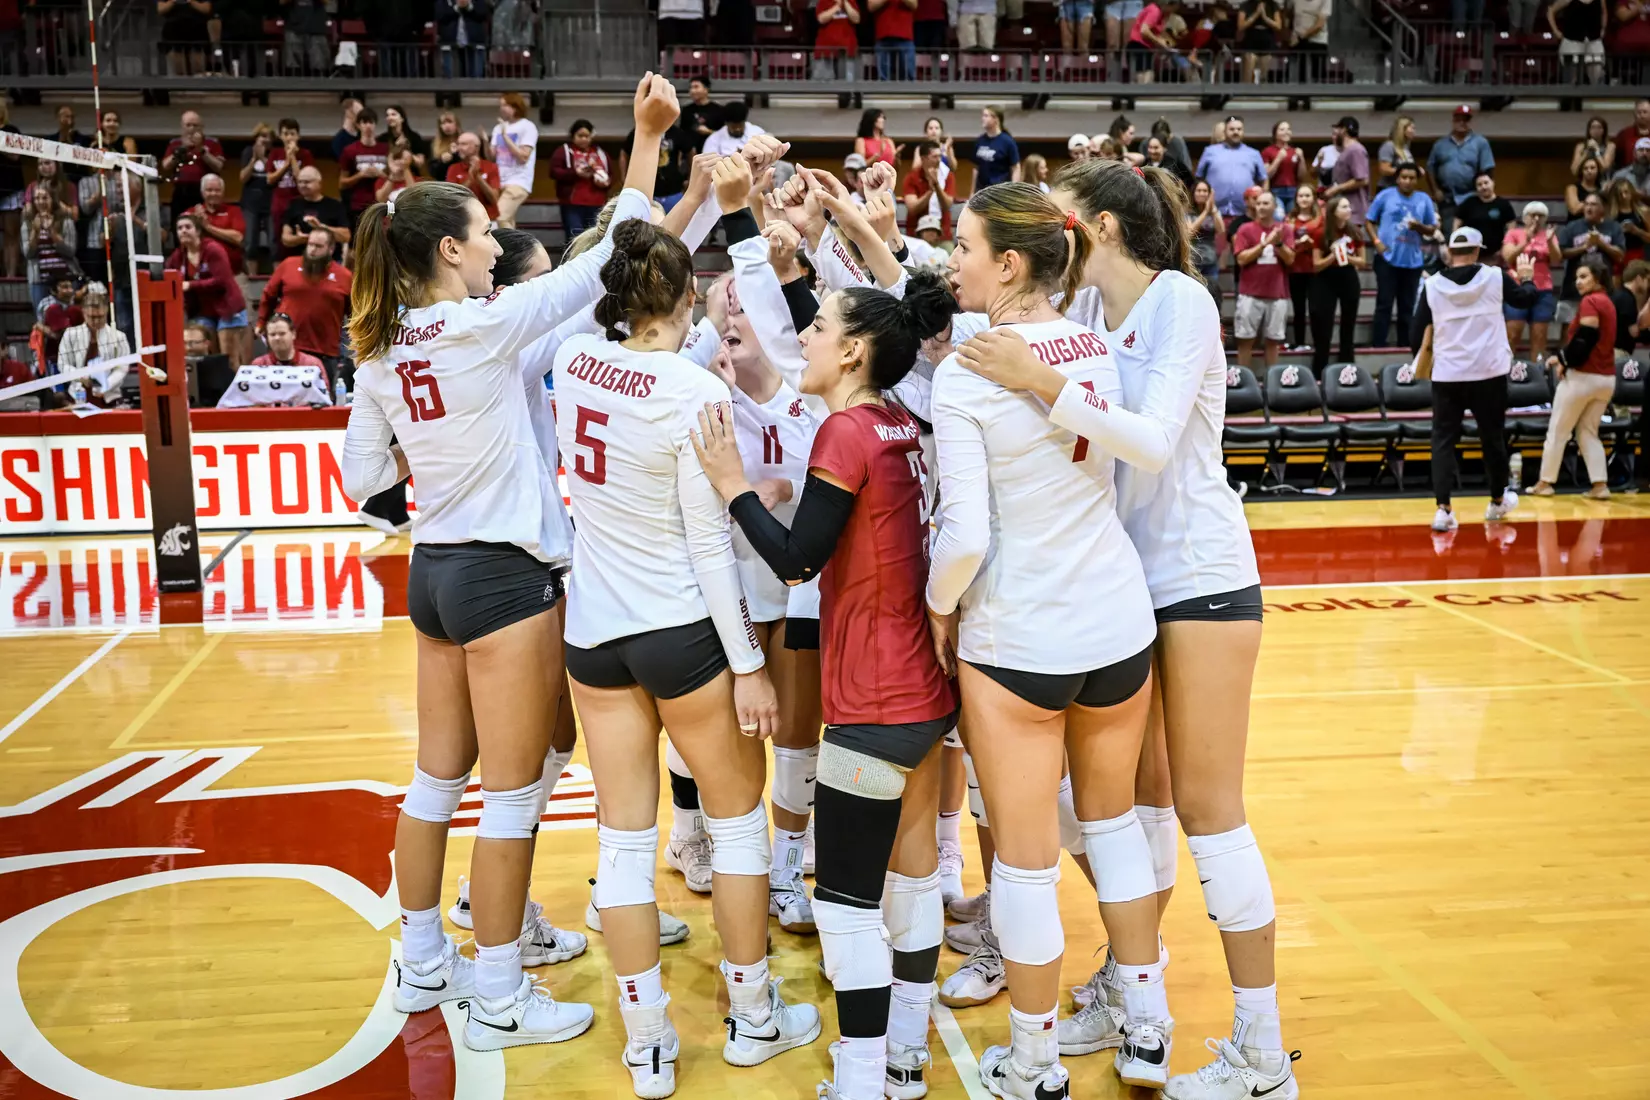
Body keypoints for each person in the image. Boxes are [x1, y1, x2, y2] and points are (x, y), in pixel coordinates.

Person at [341, 74, 674, 1057]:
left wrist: (436, 499)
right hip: (499, 580)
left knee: (433, 783)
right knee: (515, 796)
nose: (496, 242)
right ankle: (497, 992)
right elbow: (615, 251)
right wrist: (646, 141)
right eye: (485, 231)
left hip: (432, 576)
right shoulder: (482, 325)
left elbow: (363, 479)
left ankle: (420, 957)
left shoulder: (378, 347)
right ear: (449, 251)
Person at [956, 153, 1297, 1100]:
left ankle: (1262, 1055)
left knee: (1209, 814)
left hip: (1201, 578)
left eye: (1061, 213)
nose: (1048, 228)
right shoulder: (1097, 317)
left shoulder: (1180, 300)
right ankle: (1127, 984)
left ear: (1101, 226)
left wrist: (1035, 379)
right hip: (1125, 595)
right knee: (1126, 815)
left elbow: (1146, 438)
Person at [550, 186, 821, 1097]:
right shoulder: (694, 390)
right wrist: (750, 666)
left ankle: (647, 1043)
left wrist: (697, 201)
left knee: (624, 845)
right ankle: (750, 1018)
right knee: (740, 828)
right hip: (680, 630)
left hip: (592, 633)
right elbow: (712, 545)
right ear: (682, 300)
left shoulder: (576, 358)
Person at [928, 181, 1170, 1098]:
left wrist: (936, 605)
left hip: (1021, 635)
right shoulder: (1096, 345)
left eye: (963, 245)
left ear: (1011, 264)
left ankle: (1033, 1064)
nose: (951, 258)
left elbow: (967, 539)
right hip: (1116, 623)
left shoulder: (967, 369)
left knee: (1025, 861)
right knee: (1112, 833)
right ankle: (1148, 1029)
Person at [1411, 226, 1539, 532]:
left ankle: (1443, 510)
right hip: (1489, 373)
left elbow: (1415, 333)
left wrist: (1425, 357)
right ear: (1478, 250)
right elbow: (1524, 300)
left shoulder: (1432, 286)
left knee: (1442, 440)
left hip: (1448, 375)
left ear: (1450, 252)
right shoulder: (1494, 276)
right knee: (1492, 437)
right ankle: (1497, 502)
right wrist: (1528, 278)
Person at [1529, 256, 1619, 499]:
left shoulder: (1590, 302)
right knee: (1588, 431)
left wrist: (1563, 360)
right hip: (1607, 378)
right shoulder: (1608, 303)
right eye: (1577, 277)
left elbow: (1585, 338)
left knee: (1558, 430)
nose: (1578, 282)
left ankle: (1545, 482)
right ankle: (1600, 485)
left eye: (1584, 277)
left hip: (1583, 378)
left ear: (1598, 279)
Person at [257, 227, 353, 383]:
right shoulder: (288, 265)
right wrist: (261, 321)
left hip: (326, 351)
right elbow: (269, 295)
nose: (312, 250)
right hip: (288, 349)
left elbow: (355, 314)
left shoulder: (344, 276)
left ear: (330, 249)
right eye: (310, 244)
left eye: (318, 246)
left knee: (324, 401)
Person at [1366, 162, 1437, 347]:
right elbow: (1369, 221)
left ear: (1416, 180)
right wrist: (1376, 242)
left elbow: (1431, 229)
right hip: (1387, 259)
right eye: (1404, 177)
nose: (1407, 181)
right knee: (1384, 304)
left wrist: (1419, 227)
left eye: (1411, 178)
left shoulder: (1424, 199)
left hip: (1413, 262)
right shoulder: (1385, 196)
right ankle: (1378, 345)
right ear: (1397, 178)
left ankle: (1405, 346)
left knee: (1407, 308)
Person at [167, 214, 251, 366]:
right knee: (209, 357)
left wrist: (191, 285)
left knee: (229, 358)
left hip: (228, 307)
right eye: (179, 228)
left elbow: (222, 280)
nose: (183, 231)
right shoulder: (178, 256)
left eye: (188, 227)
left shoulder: (213, 249)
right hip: (202, 310)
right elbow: (168, 277)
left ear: (198, 231)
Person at [1232, 190, 1294, 369]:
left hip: (1277, 293)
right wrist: (1264, 243)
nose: (1261, 207)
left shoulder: (1285, 229)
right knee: (1245, 340)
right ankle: (1243, 380)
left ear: (1274, 206)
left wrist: (1278, 243)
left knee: (1273, 342)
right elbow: (1241, 259)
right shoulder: (1245, 229)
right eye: (1258, 203)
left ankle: (1271, 385)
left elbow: (1290, 260)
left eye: (1265, 203)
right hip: (1250, 293)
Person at [1311, 195, 1369, 372]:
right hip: (1325, 278)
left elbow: (1362, 261)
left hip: (1348, 276)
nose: (1349, 210)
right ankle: (1320, 369)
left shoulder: (1355, 231)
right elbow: (1316, 265)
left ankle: (1347, 366)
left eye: (1349, 206)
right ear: (1334, 212)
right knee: (1324, 324)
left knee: (1348, 323)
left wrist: (1347, 257)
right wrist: (1332, 256)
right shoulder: (1320, 233)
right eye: (1344, 207)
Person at [1501, 201, 1563, 365]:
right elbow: (1508, 258)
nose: (1536, 218)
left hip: (1543, 289)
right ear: (1525, 217)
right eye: (1532, 215)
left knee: (1539, 336)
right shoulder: (1514, 233)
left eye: (1540, 215)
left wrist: (1550, 241)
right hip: (1517, 287)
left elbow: (1556, 261)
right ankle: (1506, 370)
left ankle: (1538, 373)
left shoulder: (1549, 235)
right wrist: (1525, 240)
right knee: (1513, 333)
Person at [1558, 193, 1625, 323]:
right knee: (1569, 331)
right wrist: (1584, 247)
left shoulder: (1614, 227)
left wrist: (1601, 243)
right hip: (1573, 289)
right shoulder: (1572, 227)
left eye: (1593, 204)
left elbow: (1620, 255)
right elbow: (1561, 253)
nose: (1589, 208)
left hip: (1603, 289)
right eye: (1586, 204)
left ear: (1603, 208)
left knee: (1599, 329)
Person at [55, 291, 132, 400]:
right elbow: (63, 365)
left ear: (107, 311)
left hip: (110, 397)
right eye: (91, 317)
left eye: (101, 316)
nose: (96, 321)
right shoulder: (70, 334)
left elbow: (122, 368)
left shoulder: (119, 337)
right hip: (78, 395)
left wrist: (107, 385)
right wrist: (80, 376)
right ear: (83, 312)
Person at [1427, 107, 1494, 223]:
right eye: (1459, 120)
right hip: (1448, 199)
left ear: (1470, 122)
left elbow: (1488, 170)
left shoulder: (1480, 143)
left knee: (1473, 233)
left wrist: (1483, 192)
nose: (1462, 123)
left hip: (1473, 197)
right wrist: (1435, 190)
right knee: (1449, 234)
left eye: (1465, 120)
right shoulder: (1440, 144)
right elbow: (1430, 168)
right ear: (1453, 121)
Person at [1195, 115, 1265, 222]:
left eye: (1239, 129)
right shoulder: (1210, 151)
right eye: (1231, 129)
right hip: (1213, 213)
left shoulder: (1254, 154)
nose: (1235, 132)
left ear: (1243, 131)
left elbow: (1263, 180)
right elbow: (1199, 178)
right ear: (1225, 131)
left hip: (1245, 214)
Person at [548, 120, 611, 239]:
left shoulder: (600, 153)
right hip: (572, 203)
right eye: (580, 136)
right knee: (575, 237)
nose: (584, 139)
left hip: (597, 203)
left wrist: (605, 183)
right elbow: (554, 171)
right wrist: (575, 173)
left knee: (596, 238)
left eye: (587, 136)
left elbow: (610, 175)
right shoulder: (564, 151)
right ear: (573, 136)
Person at [161, 110, 225, 227]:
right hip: (181, 190)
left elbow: (218, 166)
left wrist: (201, 149)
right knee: (178, 225)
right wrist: (182, 149)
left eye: (195, 125)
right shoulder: (175, 143)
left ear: (202, 127)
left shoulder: (212, 142)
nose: (192, 128)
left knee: (202, 226)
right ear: (182, 127)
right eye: (188, 125)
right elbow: (165, 165)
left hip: (203, 191)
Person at [279, 166, 352, 262]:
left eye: (307, 182)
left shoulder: (334, 205)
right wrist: (301, 239)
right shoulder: (293, 205)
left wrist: (322, 227)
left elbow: (346, 236)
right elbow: (285, 239)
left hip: (329, 261)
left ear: (319, 183)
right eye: (300, 182)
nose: (302, 185)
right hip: (300, 260)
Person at [23, 186, 78, 308]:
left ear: (53, 199)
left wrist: (52, 232)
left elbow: (70, 251)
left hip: (65, 279)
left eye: (45, 198)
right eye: (37, 198)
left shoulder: (65, 221)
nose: (41, 201)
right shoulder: (27, 223)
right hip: (39, 280)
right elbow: (28, 254)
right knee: (43, 317)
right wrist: (35, 233)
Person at [492, 93, 540, 229]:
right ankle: (514, 249)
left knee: (500, 217)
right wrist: (483, 141)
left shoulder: (527, 126)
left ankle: (512, 248)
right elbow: (492, 156)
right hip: (500, 181)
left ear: (516, 107)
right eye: (501, 105)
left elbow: (523, 157)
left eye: (505, 105)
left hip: (519, 181)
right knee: (507, 222)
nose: (502, 108)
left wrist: (505, 136)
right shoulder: (498, 128)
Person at [267, 119, 314, 258]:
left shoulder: (305, 154)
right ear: (280, 136)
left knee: (299, 237)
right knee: (278, 241)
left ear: (298, 136)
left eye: (292, 134)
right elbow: (269, 179)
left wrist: (292, 157)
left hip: (299, 203)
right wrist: (286, 163)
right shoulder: (275, 153)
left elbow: (302, 179)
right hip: (279, 204)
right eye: (285, 134)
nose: (289, 138)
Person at [188, 173, 246, 276]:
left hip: (233, 273)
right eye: (209, 190)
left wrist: (208, 227)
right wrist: (196, 223)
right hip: (202, 273)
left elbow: (238, 238)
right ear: (202, 193)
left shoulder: (233, 211)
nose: (214, 193)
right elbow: (185, 240)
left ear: (223, 192)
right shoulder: (192, 213)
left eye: (217, 190)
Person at [339, 108, 392, 221]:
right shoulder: (350, 150)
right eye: (364, 122)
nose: (368, 126)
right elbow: (342, 183)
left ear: (375, 124)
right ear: (358, 125)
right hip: (359, 204)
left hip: (384, 202)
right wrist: (360, 175)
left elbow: (395, 177)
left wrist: (381, 174)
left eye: (371, 122)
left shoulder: (386, 149)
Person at [1285, 185, 1321, 351]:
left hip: (1315, 270)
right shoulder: (1289, 219)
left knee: (1315, 309)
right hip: (1295, 270)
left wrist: (1313, 243)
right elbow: (1285, 243)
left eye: (1307, 195)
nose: (1304, 199)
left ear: (1313, 198)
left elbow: (1325, 242)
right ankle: (1299, 342)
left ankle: (1316, 343)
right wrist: (1299, 243)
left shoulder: (1321, 218)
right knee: (1298, 309)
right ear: (1296, 199)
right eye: (1301, 196)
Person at [1453, 171, 1516, 261]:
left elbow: (1511, 229)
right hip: (1470, 255)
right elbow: (1457, 223)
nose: (1483, 187)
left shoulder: (1503, 204)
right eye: (1479, 184)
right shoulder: (1469, 203)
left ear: (1493, 183)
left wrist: (1504, 249)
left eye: (1486, 183)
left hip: (1495, 256)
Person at [239, 126, 275, 276]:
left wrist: (264, 158)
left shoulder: (276, 154)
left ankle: (277, 277)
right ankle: (252, 276)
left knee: (274, 241)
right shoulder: (248, 152)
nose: (264, 139)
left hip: (271, 202)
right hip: (250, 203)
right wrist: (254, 159)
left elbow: (274, 177)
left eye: (268, 136)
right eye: (261, 136)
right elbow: (243, 178)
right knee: (250, 242)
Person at [447, 132, 504, 223]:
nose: (459, 148)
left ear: (476, 147)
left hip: (488, 219)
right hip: (463, 221)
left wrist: (478, 177)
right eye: (458, 144)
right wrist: (470, 178)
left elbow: (494, 199)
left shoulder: (491, 167)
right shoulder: (453, 168)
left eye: (464, 144)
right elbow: (452, 198)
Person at [1323, 116, 1370, 226]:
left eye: (1337, 130)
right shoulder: (1348, 151)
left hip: (1353, 211)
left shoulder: (1355, 150)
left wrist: (1336, 189)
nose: (1335, 134)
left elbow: (1362, 180)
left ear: (1343, 130)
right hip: (1345, 210)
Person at [903, 141, 956, 239]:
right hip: (916, 234)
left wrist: (936, 186)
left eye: (940, 156)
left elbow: (947, 205)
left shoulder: (948, 175)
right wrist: (930, 192)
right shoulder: (912, 177)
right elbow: (912, 209)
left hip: (942, 234)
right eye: (935, 157)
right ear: (923, 158)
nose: (939, 160)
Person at [1187, 178, 1226, 306]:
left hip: (1210, 260)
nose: (1202, 193)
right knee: (1192, 296)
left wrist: (1213, 209)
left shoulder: (1213, 212)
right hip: (1193, 261)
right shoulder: (1187, 212)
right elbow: (1189, 232)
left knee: (1212, 296)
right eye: (1199, 190)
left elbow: (1221, 230)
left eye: (1205, 191)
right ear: (1193, 193)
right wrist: (1205, 212)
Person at [1549, 0, 1608, 84]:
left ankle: (1593, 95)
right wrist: (1556, 31)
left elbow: (1604, 11)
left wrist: (1603, 29)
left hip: (1593, 42)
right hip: (1572, 43)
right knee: (1571, 79)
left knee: (1597, 76)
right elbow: (1551, 11)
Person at [1, 98, 25, 279]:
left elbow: (16, 156)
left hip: (10, 188)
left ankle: (11, 274)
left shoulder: (12, 131)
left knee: (11, 234)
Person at [970, 107, 1020, 195]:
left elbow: (1016, 167)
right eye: (983, 116)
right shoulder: (980, 141)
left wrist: (1014, 191)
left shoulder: (1007, 141)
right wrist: (972, 192)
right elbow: (976, 168)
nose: (983, 118)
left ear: (996, 119)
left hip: (1000, 191)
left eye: (986, 116)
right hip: (981, 191)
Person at [436, 0, 490, 79]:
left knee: (476, 74)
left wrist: (468, 7)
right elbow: (440, 16)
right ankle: (451, 89)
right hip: (449, 41)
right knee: (449, 74)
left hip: (474, 41)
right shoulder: (443, 2)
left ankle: (474, 89)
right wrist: (456, 8)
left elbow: (483, 14)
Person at [251, 312, 325, 369]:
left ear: (293, 334)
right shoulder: (258, 365)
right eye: (272, 334)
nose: (277, 338)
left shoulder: (312, 364)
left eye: (282, 333)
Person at [868, 0, 919, 81]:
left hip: (904, 36)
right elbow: (871, 7)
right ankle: (883, 93)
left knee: (909, 74)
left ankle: (910, 92)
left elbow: (914, 5)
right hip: (883, 35)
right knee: (883, 77)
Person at [1376, 115, 1424, 193]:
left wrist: (1416, 170)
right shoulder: (1389, 146)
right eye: (1412, 128)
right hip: (1388, 189)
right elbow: (1383, 169)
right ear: (1402, 129)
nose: (1414, 131)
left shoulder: (1405, 148)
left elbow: (1407, 166)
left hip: (1402, 190)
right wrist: (1404, 171)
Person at [1236, 0, 1281, 83]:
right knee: (1247, 75)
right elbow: (1241, 26)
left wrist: (1264, 17)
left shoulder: (1273, 5)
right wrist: (1256, 14)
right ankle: (1246, 93)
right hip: (1251, 39)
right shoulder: (1245, 5)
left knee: (1265, 76)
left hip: (1267, 39)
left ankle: (1265, 94)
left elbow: (1278, 26)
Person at [1262, 121, 1302, 213]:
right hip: (1275, 191)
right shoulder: (1268, 151)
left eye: (1288, 129)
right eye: (1282, 129)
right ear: (1275, 134)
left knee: (1292, 218)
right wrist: (1278, 159)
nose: (1286, 132)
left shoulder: (1294, 151)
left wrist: (1302, 159)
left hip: (1293, 191)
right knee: (1278, 216)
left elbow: (1301, 176)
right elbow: (1267, 174)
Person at [383, 105, 430, 177]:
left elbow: (420, 163)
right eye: (387, 115)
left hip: (413, 176)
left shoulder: (414, 137)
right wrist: (396, 148)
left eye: (393, 114)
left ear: (402, 118)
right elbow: (383, 163)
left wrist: (405, 149)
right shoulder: (383, 138)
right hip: (391, 176)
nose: (390, 118)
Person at [682, 77, 724, 152]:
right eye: (691, 88)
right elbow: (682, 133)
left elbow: (724, 135)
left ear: (706, 89)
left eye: (696, 87)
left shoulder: (718, 110)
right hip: (690, 154)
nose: (692, 91)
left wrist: (709, 131)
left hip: (713, 152)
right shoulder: (686, 110)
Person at [1616, 99, 1650, 170]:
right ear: (1634, 114)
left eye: (1645, 112)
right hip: (1629, 176)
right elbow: (1617, 159)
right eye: (1639, 112)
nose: (1642, 115)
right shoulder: (1624, 134)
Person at [431, 111, 465, 176]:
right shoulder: (436, 143)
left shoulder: (465, 140)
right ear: (440, 126)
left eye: (450, 122)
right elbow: (433, 171)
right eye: (443, 123)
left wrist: (456, 154)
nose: (447, 126)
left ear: (457, 124)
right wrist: (442, 161)